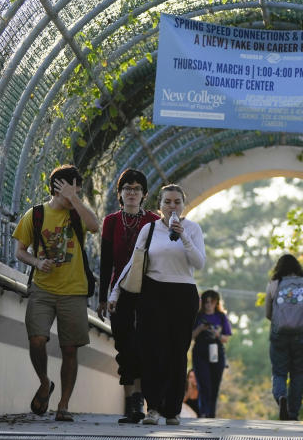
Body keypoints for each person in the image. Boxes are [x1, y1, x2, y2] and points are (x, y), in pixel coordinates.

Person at [12, 164, 101, 422]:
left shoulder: (78, 214)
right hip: (43, 288)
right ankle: (44, 382)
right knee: (36, 339)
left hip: (74, 290)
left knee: (70, 348)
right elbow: (20, 251)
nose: (75, 194)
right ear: (56, 188)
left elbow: (94, 226)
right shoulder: (36, 215)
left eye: (77, 189)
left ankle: (63, 404)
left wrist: (74, 199)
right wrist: (37, 263)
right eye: (70, 188)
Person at [110, 183, 204, 426]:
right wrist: (115, 293)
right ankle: (153, 408)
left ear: (184, 205)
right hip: (153, 293)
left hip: (183, 293)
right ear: (159, 205)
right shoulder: (149, 229)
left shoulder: (193, 229)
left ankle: (172, 410)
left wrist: (182, 235)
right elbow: (134, 261)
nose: (172, 206)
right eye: (167, 202)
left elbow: (199, 262)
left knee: (176, 352)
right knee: (152, 351)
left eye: (177, 202)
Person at [97, 167, 159, 423]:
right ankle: (132, 402)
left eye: (136, 189)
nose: (132, 193)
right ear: (120, 194)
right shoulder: (111, 221)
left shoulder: (155, 221)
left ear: (144, 194)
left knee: (144, 344)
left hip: (148, 293)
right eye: (127, 188)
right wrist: (102, 297)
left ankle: (141, 403)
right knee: (124, 344)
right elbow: (106, 261)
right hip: (119, 293)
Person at [264, 253, 303, 420]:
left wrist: (280, 322)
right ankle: (293, 412)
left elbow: (268, 314)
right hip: (300, 334)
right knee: (299, 373)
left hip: (279, 334)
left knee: (279, 371)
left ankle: (281, 398)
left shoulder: (274, 284)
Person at [190, 288, 233, 418]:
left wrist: (217, 334)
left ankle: (211, 414)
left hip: (216, 351)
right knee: (204, 383)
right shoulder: (197, 316)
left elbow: (226, 338)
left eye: (211, 302)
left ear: (216, 303)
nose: (208, 305)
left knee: (214, 384)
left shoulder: (221, 316)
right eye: (206, 302)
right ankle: (203, 412)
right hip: (200, 351)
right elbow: (191, 336)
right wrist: (200, 328)